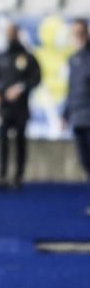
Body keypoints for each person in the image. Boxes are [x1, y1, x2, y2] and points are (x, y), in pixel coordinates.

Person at [0, 23, 41, 189]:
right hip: (4, 108)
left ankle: (18, 177)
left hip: (21, 108)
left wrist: (21, 87)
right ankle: (2, 176)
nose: (10, 36)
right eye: (8, 33)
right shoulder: (1, 56)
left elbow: (36, 78)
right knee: (3, 141)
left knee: (20, 141)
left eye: (13, 33)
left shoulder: (27, 57)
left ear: (18, 34)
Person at [63, 18, 90, 179]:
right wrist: (65, 114)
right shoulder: (73, 60)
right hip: (78, 116)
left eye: (79, 33)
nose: (76, 37)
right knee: (85, 161)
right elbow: (72, 88)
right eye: (74, 34)